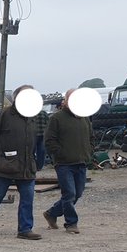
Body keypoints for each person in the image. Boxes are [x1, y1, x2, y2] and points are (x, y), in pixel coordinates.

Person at [0, 84, 42, 240]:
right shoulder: (5, 115)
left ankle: (25, 229)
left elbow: (39, 140)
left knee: (28, 198)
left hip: (27, 166)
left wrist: (36, 161)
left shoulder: (34, 117)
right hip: (3, 166)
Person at [42, 88, 94, 234]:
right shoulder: (56, 118)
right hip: (64, 164)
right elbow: (49, 140)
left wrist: (89, 151)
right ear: (66, 100)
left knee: (77, 193)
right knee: (69, 193)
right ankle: (71, 223)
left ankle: (51, 213)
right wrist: (60, 154)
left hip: (81, 162)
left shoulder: (85, 118)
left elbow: (91, 137)